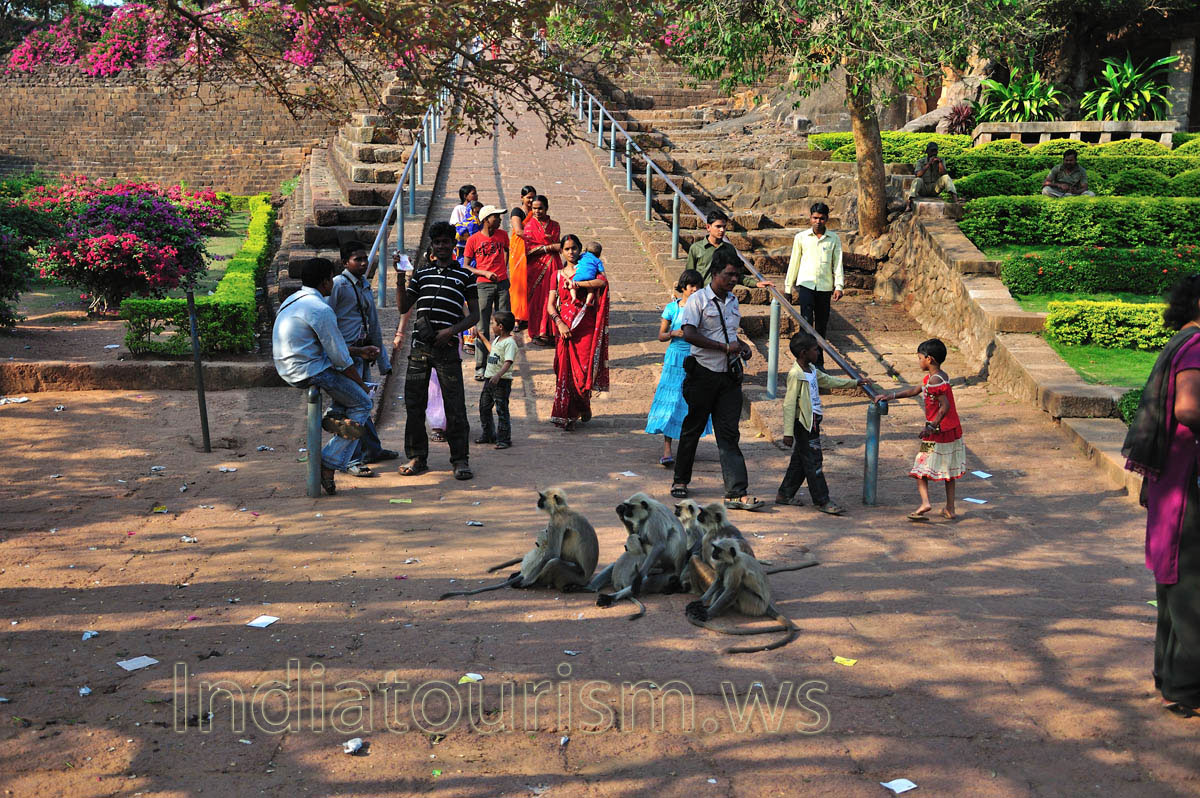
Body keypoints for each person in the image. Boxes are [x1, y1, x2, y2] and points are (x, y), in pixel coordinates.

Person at [1122, 275, 1200, 716]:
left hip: (1171, 481)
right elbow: (1188, 408)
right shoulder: (1197, 346)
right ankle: (1188, 688)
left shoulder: (1180, 341)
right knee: (1190, 583)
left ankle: (1170, 679)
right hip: (1188, 482)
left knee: (1174, 584)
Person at [272, 258, 379, 496]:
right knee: (363, 403)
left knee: (348, 393)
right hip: (308, 370)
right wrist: (361, 385)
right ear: (325, 281)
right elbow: (340, 359)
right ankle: (329, 462)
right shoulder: (321, 309)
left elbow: (331, 346)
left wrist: (360, 351)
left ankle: (336, 414)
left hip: (289, 366)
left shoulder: (294, 300)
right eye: (331, 278)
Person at [670, 248, 766, 511]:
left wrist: (741, 345)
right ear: (715, 273)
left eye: (737, 275)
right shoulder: (698, 300)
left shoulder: (733, 301)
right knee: (693, 427)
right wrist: (724, 348)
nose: (734, 279)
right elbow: (689, 333)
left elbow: (730, 333)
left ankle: (736, 491)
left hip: (728, 378)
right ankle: (680, 479)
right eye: (729, 274)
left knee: (729, 433)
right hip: (702, 373)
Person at [398, 221, 480, 480]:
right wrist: (400, 278)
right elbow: (403, 307)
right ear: (432, 246)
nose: (442, 246)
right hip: (420, 348)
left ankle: (460, 460)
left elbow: (475, 316)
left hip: (447, 349)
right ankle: (417, 456)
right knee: (414, 404)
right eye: (438, 242)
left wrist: (451, 332)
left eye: (446, 242)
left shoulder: (465, 276)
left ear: (453, 245)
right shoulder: (421, 274)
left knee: (455, 406)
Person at [775, 333, 871, 514]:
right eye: (814, 349)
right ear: (803, 353)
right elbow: (789, 404)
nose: (818, 352)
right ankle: (822, 500)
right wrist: (788, 432)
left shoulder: (811, 369)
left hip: (813, 421)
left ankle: (785, 494)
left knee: (801, 460)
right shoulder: (796, 374)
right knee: (814, 462)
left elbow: (828, 380)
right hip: (804, 425)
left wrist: (854, 383)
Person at [328, 240, 400, 475]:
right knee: (355, 406)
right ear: (344, 262)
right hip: (347, 354)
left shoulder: (364, 286)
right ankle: (352, 459)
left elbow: (374, 324)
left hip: (363, 352)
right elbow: (327, 319)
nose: (362, 263)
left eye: (364, 258)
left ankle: (372, 449)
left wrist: (383, 361)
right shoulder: (338, 285)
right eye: (357, 259)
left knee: (363, 404)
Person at [875, 338, 965, 521]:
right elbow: (915, 390)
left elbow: (944, 406)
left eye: (919, 358)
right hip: (951, 430)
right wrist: (892, 395)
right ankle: (950, 508)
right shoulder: (940, 376)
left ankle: (925, 502)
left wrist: (931, 426)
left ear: (929, 359)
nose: (919, 361)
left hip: (935, 434)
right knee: (948, 470)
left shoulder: (933, 381)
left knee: (920, 467)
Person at [645, 268, 711, 467]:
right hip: (675, 359)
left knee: (691, 403)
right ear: (683, 287)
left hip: (696, 358)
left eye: (698, 286)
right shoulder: (672, 309)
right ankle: (667, 449)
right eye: (691, 286)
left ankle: (687, 447)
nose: (695, 289)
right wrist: (675, 333)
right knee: (670, 400)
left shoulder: (703, 308)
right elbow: (661, 335)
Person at [548, 234, 609, 430]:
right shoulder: (556, 274)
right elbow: (550, 305)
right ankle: (568, 414)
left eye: (574, 248)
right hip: (564, 328)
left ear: (580, 249)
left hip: (585, 327)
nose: (571, 252)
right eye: (567, 249)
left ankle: (583, 404)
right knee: (564, 372)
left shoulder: (587, 269)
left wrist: (578, 284)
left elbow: (602, 283)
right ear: (562, 252)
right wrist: (559, 323)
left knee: (582, 373)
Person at [784, 202, 844, 367]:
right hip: (806, 285)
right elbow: (794, 263)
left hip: (824, 287)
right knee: (805, 322)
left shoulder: (833, 239)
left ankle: (819, 362)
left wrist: (839, 286)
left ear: (827, 219)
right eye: (815, 218)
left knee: (822, 325)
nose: (818, 221)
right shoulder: (801, 237)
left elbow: (837, 264)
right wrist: (788, 288)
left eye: (821, 218)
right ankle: (804, 362)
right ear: (810, 218)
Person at [463, 205, 510, 380]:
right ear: (486, 219)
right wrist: (484, 272)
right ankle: (480, 366)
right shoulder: (473, 240)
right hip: (483, 285)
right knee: (482, 326)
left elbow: (507, 251)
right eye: (496, 217)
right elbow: (466, 265)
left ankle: (500, 365)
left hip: (502, 284)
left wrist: (504, 271)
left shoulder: (503, 236)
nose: (499, 219)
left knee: (503, 324)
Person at [685, 210, 770, 290]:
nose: (722, 230)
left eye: (724, 227)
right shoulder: (696, 248)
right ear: (708, 227)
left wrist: (755, 283)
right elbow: (689, 275)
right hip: (702, 296)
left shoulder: (729, 249)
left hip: (723, 296)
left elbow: (736, 274)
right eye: (718, 226)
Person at [523, 194, 563, 345]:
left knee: (554, 296)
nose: (537, 211)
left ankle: (552, 332)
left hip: (554, 265)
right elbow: (528, 250)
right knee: (537, 299)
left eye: (540, 208)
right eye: (534, 209)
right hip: (536, 267)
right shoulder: (529, 227)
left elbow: (559, 244)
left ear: (546, 208)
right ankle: (537, 333)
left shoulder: (555, 225)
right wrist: (549, 247)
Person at [476, 310, 518, 449]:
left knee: (501, 410)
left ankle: (504, 439)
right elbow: (492, 350)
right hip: (490, 379)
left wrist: (499, 374)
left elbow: (508, 361)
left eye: (493, 323)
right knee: (484, 407)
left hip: (502, 381)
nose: (491, 325)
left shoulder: (510, 343)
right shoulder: (497, 339)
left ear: (500, 326)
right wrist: (482, 338)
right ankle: (488, 434)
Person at [508, 185, 537, 330]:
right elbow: (519, 231)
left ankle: (528, 315)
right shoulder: (517, 211)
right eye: (528, 197)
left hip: (531, 249)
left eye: (533, 197)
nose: (531, 200)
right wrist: (537, 237)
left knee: (531, 281)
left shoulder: (535, 211)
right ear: (522, 198)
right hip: (519, 249)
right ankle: (516, 319)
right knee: (518, 283)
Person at [905, 142, 958, 211]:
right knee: (917, 180)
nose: (934, 153)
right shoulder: (920, 161)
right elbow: (918, 174)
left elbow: (944, 173)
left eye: (935, 151)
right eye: (932, 151)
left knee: (946, 177)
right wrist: (928, 164)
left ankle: (955, 200)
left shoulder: (941, 160)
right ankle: (909, 203)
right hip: (923, 189)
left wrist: (939, 163)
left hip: (935, 189)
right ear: (927, 151)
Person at [571, 240, 606, 306]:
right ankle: (588, 301)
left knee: (572, 286)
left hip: (579, 275)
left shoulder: (583, 255)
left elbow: (577, 259)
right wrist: (604, 277)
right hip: (590, 277)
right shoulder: (598, 260)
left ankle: (573, 297)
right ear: (599, 254)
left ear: (586, 250)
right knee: (590, 290)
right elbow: (602, 271)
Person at [449, 184, 478, 261]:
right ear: (465, 196)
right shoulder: (459, 208)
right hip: (462, 245)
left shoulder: (476, 209)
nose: (476, 195)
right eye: (473, 193)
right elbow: (455, 225)